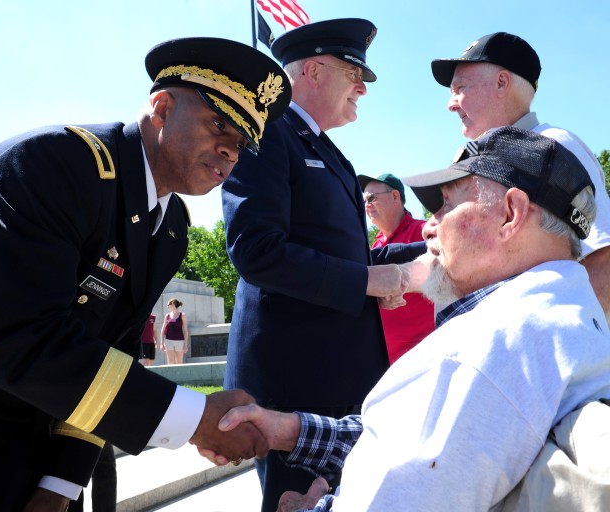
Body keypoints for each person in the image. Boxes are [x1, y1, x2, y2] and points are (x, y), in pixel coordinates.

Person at [206, 127, 610, 511]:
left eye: (446, 205)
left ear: (510, 214)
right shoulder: (562, 316)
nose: (430, 227)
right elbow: (418, 439)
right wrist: (289, 430)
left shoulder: (493, 348)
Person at [0, 36, 291, 511]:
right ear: (162, 107)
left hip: (41, 457)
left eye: (240, 143)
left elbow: (111, 352)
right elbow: (24, 341)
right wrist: (199, 418)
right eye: (218, 123)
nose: (229, 151)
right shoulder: (53, 165)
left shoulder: (172, 226)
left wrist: (60, 486)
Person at [221, 18, 426, 511]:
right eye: (354, 72)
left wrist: (420, 257)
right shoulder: (268, 134)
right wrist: (366, 280)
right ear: (312, 71)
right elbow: (256, 250)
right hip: (295, 386)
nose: (362, 87)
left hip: (336, 382)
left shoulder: (321, 147)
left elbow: (342, 256)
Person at [430, 31, 610, 321]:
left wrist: (560, 351)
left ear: (502, 83)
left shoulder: (555, 147)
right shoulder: (485, 161)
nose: (451, 104)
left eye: (459, 88)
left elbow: (603, 258)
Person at [358, 173, 435, 363]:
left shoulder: (425, 232)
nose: (366, 204)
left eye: (371, 197)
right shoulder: (373, 249)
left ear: (395, 196)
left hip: (425, 358)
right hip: (386, 364)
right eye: (363, 200)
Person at [161, 298, 189, 365]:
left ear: (173, 304)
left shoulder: (182, 315)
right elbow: (163, 330)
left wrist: (185, 344)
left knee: (179, 362)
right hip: (168, 341)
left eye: (168, 304)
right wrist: (162, 343)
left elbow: (185, 331)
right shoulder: (167, 316)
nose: (167, 306)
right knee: (170, 362)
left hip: (179, 341)